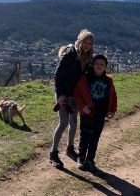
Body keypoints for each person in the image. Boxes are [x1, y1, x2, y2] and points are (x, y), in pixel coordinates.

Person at [49, 29, 95, 168]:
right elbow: (58, 75)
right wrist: (60, 95)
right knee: (63, 123)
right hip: (63, 94)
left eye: (90, 43)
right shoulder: (71, 54)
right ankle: (53, 153)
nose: (87, 45)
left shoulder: (88, 57)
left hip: (74, 95)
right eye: (85, 42)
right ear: (80, 41)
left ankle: (69, 149)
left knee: (74, 123)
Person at [74, 54, 117, 172]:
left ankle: (90, 159)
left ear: (105, 67)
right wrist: (82, 107)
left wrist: (112, 110)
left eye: (102, 65)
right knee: (85, 135)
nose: (99, 66)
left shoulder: (108, 80)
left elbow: (113, 96)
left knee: (95, 137)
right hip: (87, 112)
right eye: (97, 64)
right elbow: (77, 94)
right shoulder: (85, 78)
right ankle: (81, 157)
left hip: (100, 113)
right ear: (92, 65)